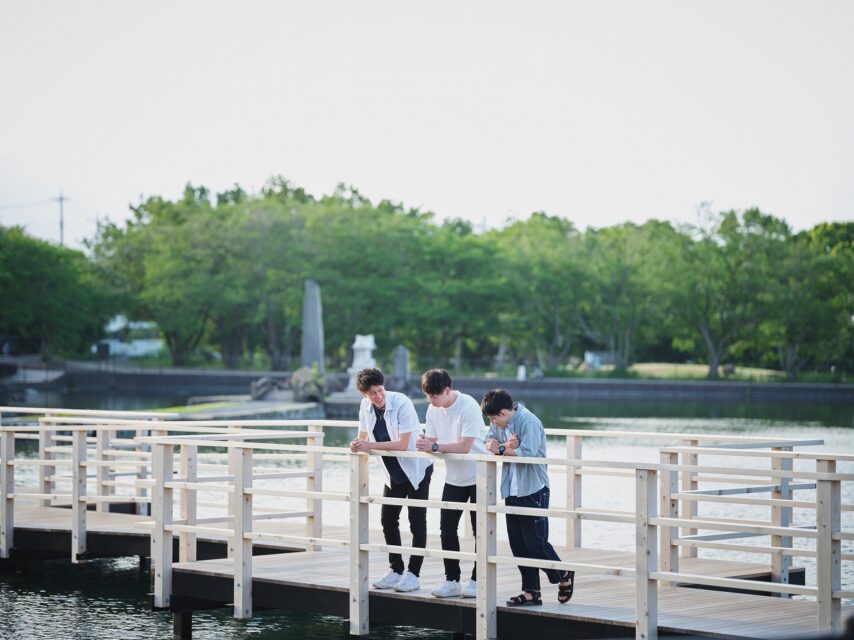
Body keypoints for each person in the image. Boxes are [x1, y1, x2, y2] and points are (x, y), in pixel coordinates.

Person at [481, 388, 575, 606]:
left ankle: (563, 573)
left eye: (494, 418)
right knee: (518, 545)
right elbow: (489, 444)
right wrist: (507, 447)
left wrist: (502, 448)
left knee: (535, 543)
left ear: (504, 412)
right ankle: (531, 592)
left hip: (533, 488)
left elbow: (529, 454)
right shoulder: (498, 423)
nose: (492, 423)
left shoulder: (528, 422)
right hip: (511, 489)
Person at [349, 367, 433, 592]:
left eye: (380, 390)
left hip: (416, 469)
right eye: (372, 393)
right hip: (393, 472)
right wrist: (356, 444)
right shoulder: (365, 406)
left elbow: (402, 444)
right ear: (363, 394)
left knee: (417, 521)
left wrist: (369, 446)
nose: (378, 396)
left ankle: (413, 575)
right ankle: (396, 570)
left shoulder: (401, 402)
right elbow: (363, 436)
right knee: (388, 520)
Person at [415, 368, 488, 598]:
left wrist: (434, 447)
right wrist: (426, 442)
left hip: (479, 473)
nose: (432, 401)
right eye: (428, 396)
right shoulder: (432, 409)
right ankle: (452, 580)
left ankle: (479, 580)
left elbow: (465, 445)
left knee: (481, 531)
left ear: (448, 390)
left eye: (435, 396)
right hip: (454, 476)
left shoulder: (468, 405)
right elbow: (434, 441)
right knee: (446, 528)